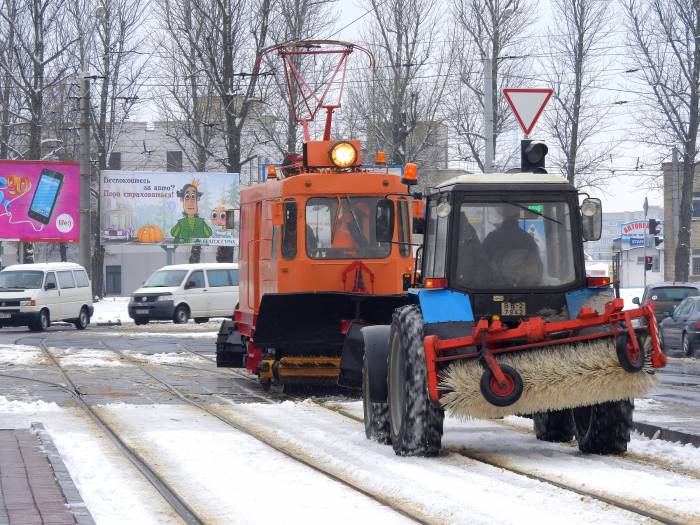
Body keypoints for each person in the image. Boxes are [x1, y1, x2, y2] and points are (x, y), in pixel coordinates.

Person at [482, 206, 543, 287]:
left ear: (501, 218)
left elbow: (482, 263)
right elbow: (539, 266)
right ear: (517, 218)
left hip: (493, 290)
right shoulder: (527, 238)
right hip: (527, 290)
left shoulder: (492, 238)